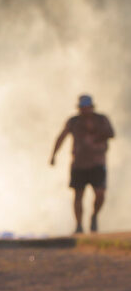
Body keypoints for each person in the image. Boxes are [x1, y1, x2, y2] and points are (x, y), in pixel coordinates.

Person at [50, 94, 115, 234]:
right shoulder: (73, 121)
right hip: (79, 164)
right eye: (82, 108)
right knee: (78, 195)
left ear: (92, 107)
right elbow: (61, 137)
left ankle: (94, 216)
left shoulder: (101, 119)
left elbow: (111, 133)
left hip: (97, 162)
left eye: (87, 108)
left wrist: (95, 135)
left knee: (100, 193)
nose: (85, 111)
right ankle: (79, 225)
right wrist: (54, 155)